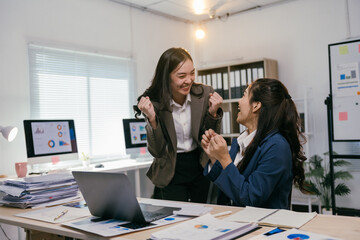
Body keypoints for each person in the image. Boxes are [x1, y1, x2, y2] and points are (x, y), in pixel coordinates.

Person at [134, 47, 223, 203]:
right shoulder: (153, 102)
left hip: (199, 164)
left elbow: (210, 136)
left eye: (192, 73)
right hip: (171, 168)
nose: (189, 80)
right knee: (175, 218)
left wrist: (212, 113)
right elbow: (157, 150)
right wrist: (152, 119)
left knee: (200, 217)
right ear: (166, 77)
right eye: (181, 76)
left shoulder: (204, 94)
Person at [201, 78, 307, 209]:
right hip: (233, 221)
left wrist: (224, 158)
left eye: (244, 95)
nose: (239, 102)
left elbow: (251, 197)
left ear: (256, 105)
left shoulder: (277, 146)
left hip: (264, 226)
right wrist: (214, 157)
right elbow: (230, 186)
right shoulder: (241, 140)